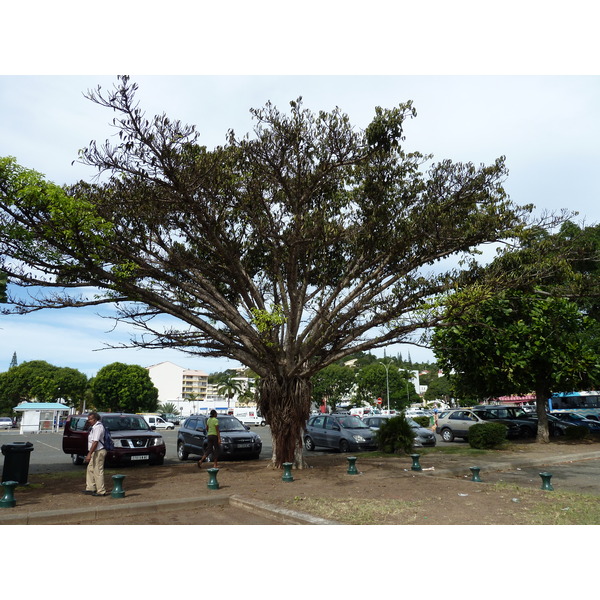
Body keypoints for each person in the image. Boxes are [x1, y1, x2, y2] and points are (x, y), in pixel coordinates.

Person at [83, 412, 108, 496]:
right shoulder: (93, 427)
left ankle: (101, 491)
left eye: (90, 419)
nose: (89, 421)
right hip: (94, 451)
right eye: (88, 419)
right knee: (90, 469)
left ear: (95, 419)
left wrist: (89, 454)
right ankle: (90, 487)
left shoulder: (98, 427)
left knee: (98, 471)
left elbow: (95, 442)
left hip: (98, 451)